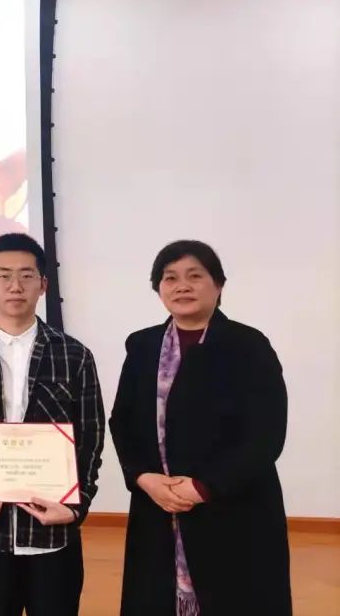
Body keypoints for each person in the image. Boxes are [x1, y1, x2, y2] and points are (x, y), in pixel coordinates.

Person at [109, 240, 291, 616]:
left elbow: (266, 434)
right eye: (170, 278)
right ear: (158, 288)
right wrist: (142, 477)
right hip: (158, 504)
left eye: (195, 276)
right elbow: (122, 421)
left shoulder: (249, 346)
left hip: (233, 508)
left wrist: (204, 486)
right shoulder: (142, 345)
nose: (182, 286)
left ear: (218, 285)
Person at [0, 232, 104, 616]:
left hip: (53, 529)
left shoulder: (74, 355)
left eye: (27, 275)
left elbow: (91, 436)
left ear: (43, 284)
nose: (15, 286)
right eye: (4, 275)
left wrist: (76, 507)